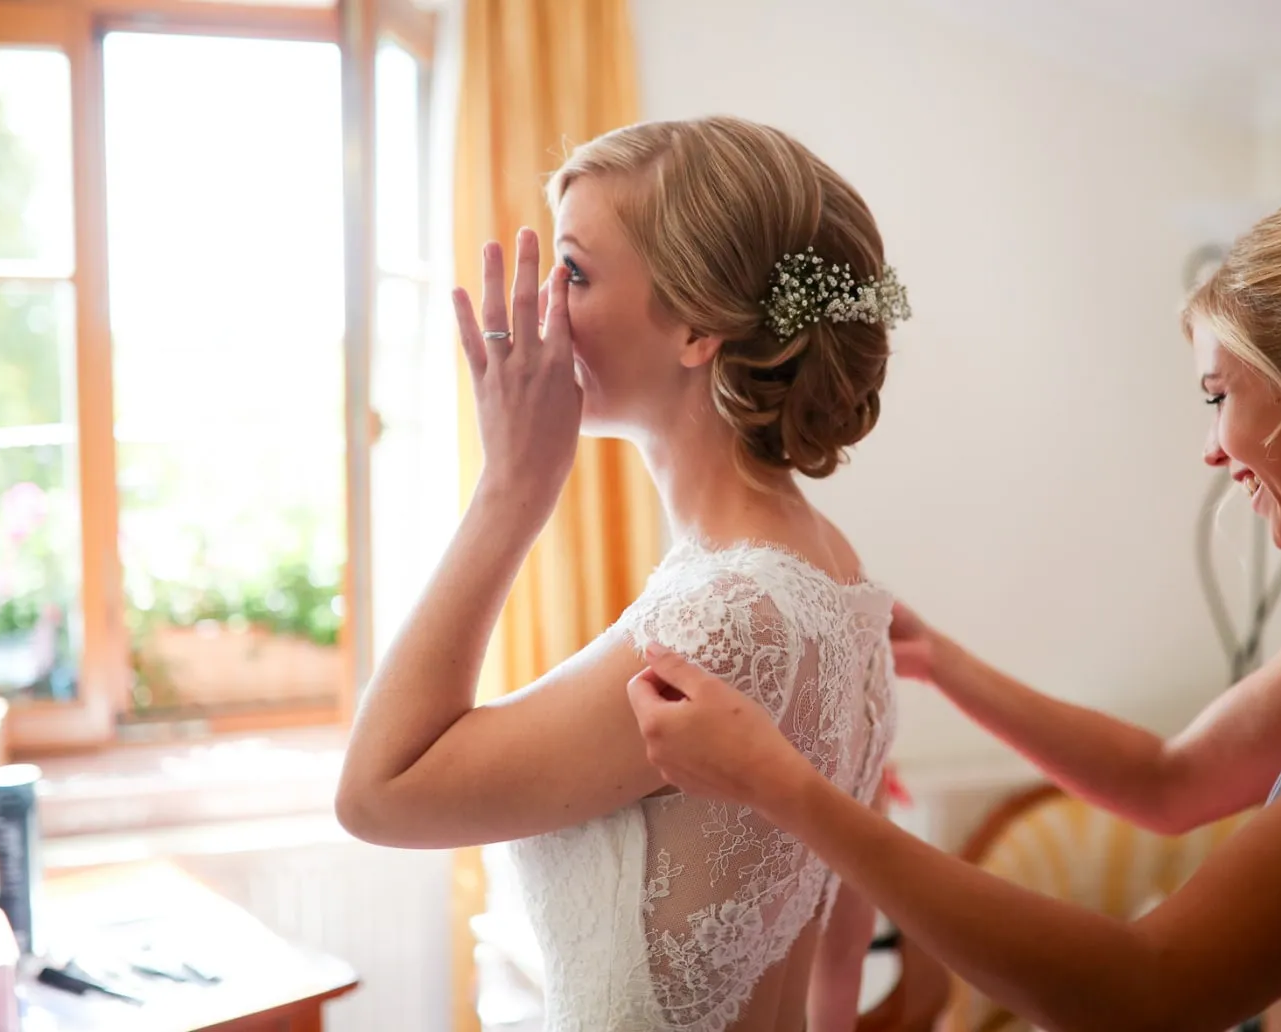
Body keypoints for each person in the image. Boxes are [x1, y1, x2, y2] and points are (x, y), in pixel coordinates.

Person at [628, 177, 1281, 1032]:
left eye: (1219, 394)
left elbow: (1148, 989)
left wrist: (784, 787)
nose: (1214, 447)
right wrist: (940, 659)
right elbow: (1166, 782)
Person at [336, 115, 912, 1032]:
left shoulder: (724, 619)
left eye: (574, 272)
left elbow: (375, 794)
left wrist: (512, 488)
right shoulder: (834, 579)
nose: (542, 309)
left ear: (697, 328)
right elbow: (839, 962)